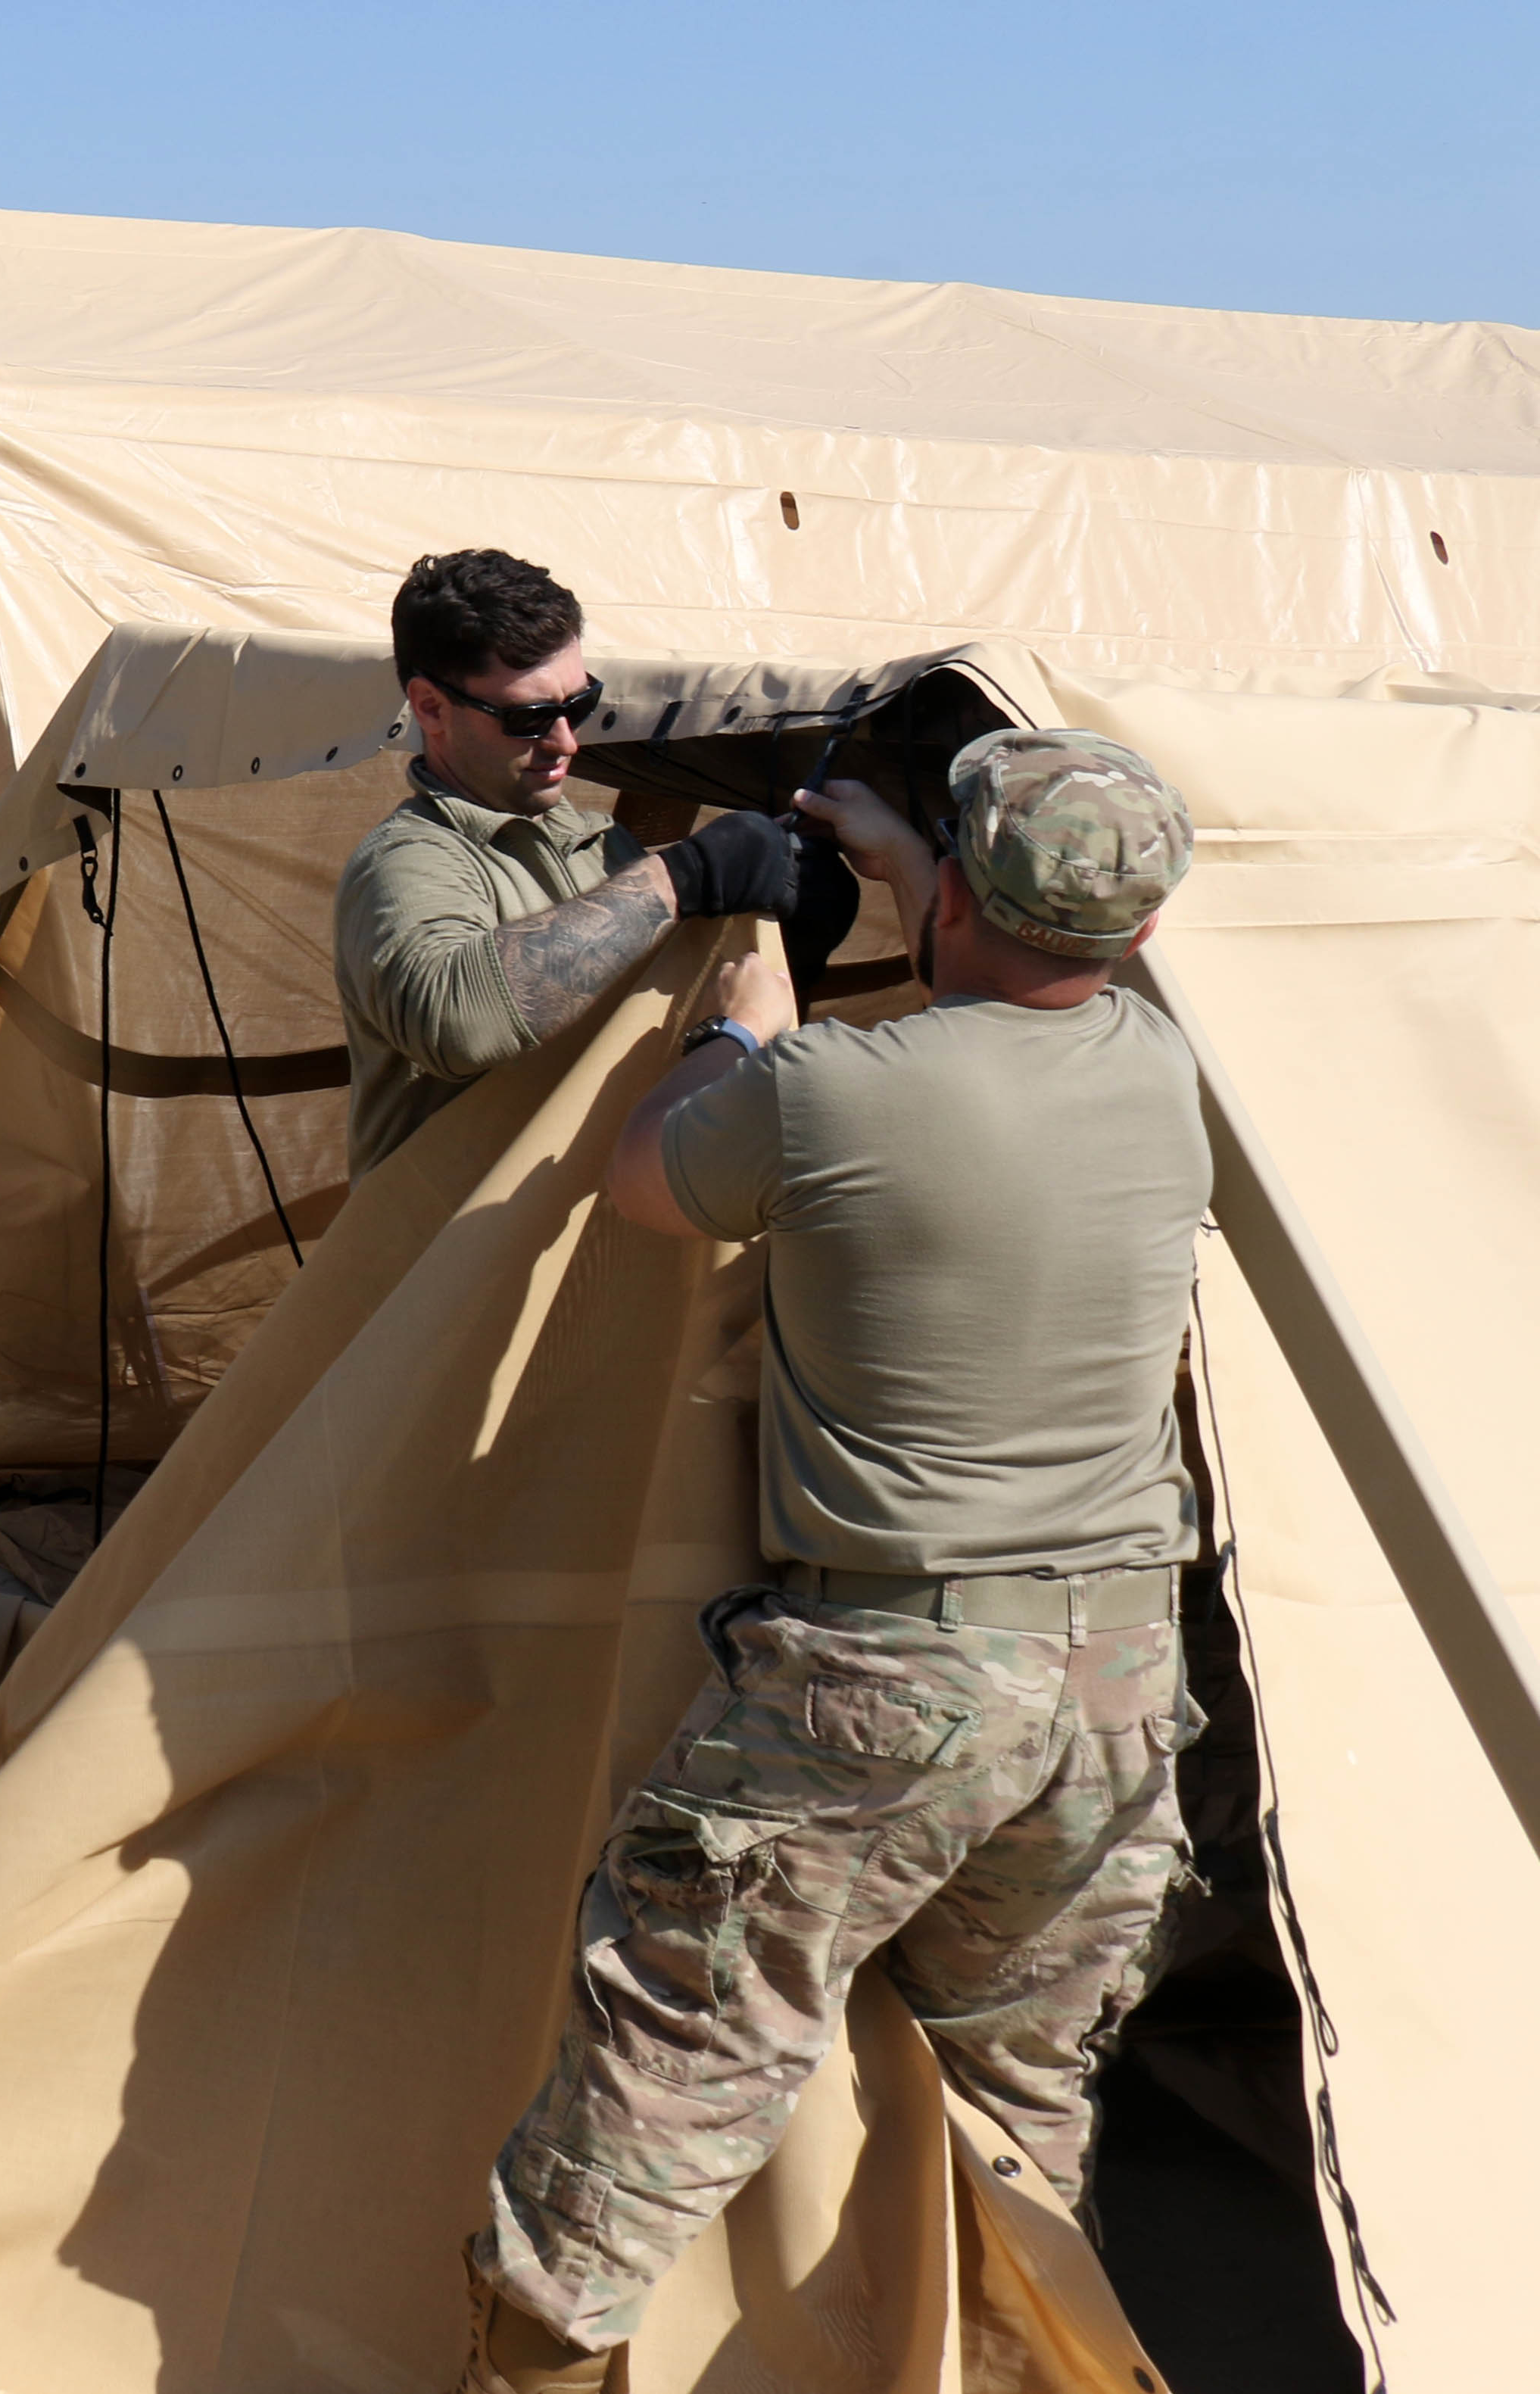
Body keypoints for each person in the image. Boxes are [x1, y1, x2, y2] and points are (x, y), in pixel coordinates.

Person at [459, 733, 1205, 2394]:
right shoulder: (1164, 1067)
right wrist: (908, 859)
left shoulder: (827, 1090)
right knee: (1015, 2108)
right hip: (1115, 1686)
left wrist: (735, 1029)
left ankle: (527, 2375)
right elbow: (1016, 984)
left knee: (663, 2076)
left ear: (959, 894)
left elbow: (644, 1180)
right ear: (1144, 928)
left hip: (886, 1684)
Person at [335, 550, 840, 1180]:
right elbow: (457, 1020)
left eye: (578, 704)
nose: (566, 741)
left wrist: (782, 927)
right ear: (431, 708)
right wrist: (680, 877)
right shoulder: (408, 860)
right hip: (455, 1241)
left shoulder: (603, 845)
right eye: (528, 718)